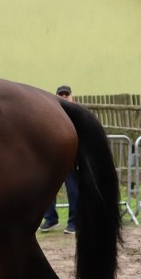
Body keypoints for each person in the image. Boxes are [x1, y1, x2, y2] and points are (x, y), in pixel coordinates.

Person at [40, 85, 80, 234]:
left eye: (66, 94)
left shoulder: (77, 113)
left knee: (73, 191)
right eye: (60, 94)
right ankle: (50, 219)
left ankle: (74, 223)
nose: (63, 97)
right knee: (48, 191)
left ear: (71, 96)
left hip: (71, 161)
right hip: (54, 161)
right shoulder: (51, 113)